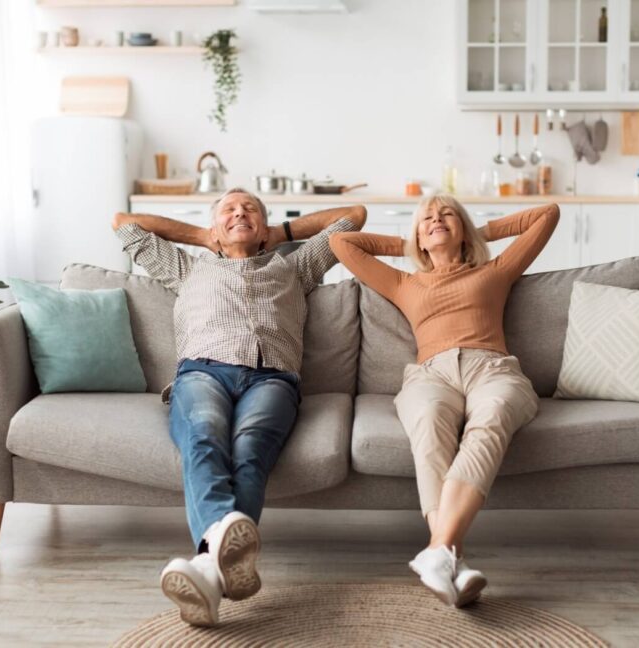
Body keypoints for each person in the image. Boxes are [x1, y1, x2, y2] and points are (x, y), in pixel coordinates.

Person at [113, 188, 366, 626]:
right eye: (228, 209)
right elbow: (123, 223)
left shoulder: (295, 266)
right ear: (214, 226)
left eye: (250, 209)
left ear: (265, 226)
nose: (239, 213)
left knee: (251, 450)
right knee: (204, 434)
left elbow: (354, 214)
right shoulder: (187, 268)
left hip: (272, 379)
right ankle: (217, 563)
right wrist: (203, 235)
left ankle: (207, 569)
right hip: (203, 374)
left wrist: (279, 233)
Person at [330, 195, 559, 607]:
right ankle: (450, 557)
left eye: (447, 214)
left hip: (491, 369)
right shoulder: (405, 283)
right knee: (429, 419)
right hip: (431, 375)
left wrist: (477, 233)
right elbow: (341, 243)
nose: (436, 219)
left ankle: (439, 551)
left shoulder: (496, 270)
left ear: (463, 228)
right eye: (427, 218)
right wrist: (411, 242)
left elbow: (547, 214)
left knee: (495, 413)